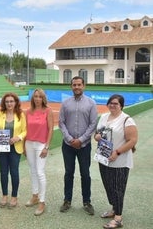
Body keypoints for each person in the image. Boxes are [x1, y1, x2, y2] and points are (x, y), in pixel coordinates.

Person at [94, 94, 138, 229]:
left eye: (116, 103)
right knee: (108, 186)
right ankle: (114, 209)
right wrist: (97, 136)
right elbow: (98, 133)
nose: (112, 105)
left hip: (120, 160)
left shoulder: (127, 120)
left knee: (118, 188)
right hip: (104, 158)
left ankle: (118, 218)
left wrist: (117, 152)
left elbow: (133, 140)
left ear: (121, 106)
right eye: (110, 103)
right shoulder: (104, 117)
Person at [58, 76, 98, 215]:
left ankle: (86, 202)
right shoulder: (65, 103)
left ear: (84, 86)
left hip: (84, 146)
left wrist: (80, 140)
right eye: (74, 85)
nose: (76, 87)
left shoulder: (91, 103)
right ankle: (67, 200)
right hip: (68, 146)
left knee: (85, 174)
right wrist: (70, 139)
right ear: (71, 86)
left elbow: (93, 124)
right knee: (69, 173)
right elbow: (61, 123)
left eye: (79, 84)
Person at [0, 92, 26, 208]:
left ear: (15, 102)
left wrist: (18, 137)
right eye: (7, 101)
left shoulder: (21, 114)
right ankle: (4, 195)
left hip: (15, 148)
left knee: (14, 172)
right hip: (2, 148)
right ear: (4, 103)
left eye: (11, 101)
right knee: (3, 172)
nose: (9, 103)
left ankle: (14, 196)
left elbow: (25, 131)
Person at [24, 88, 54, 216]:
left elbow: (51, 129)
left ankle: (42, 201)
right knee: (33, 171)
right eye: (35, 96)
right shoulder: (28, 112)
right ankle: (35, 196)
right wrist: (24, 146)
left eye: (39, 96)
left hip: (41, 145)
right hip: (29, 144)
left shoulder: (48, 111)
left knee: (40, 172)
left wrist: (46, 147)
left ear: (43, 98)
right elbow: (25, 129)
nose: (37, 99)